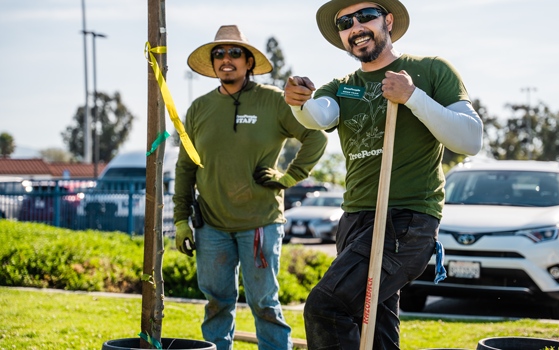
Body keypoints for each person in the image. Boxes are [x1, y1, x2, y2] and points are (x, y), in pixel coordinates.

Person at [283, 0, 483, 349]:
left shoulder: (431, 69)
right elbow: (320, 114)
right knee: (374, 328)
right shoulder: (341, 87)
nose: (355, 26)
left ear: (387, 20)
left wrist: (412, 96)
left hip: (406, 219)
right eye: (345, 22)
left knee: (326, 307)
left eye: (366, 16)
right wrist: (299, 102)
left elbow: (470, 139)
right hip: (356, 219)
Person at [173, 25, 328, 350]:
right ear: (213, 63)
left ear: (248, 62)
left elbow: (316, 136)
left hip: (260, 224)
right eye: (218, 54)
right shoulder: (199, 108)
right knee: (216, 303)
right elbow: (186, 166)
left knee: (265, 305)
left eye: (233, 53)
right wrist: (179, 220)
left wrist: (288, 177)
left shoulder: (272, 101)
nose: (225, 59)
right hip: (211, 227)